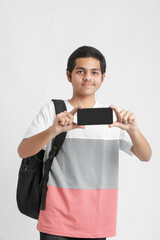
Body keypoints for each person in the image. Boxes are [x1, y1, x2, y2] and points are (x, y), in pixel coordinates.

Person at [17, 46, 152, 240]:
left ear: (102, 77)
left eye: (94, 72)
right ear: (68, 75)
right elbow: (23, 151)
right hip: (56, 220)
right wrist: (53, 130)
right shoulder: (53, 110)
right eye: (81, 71)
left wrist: (133, 131)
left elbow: (146, 156)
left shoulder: (114, 118)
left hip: (97, 220)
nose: (87, 77)